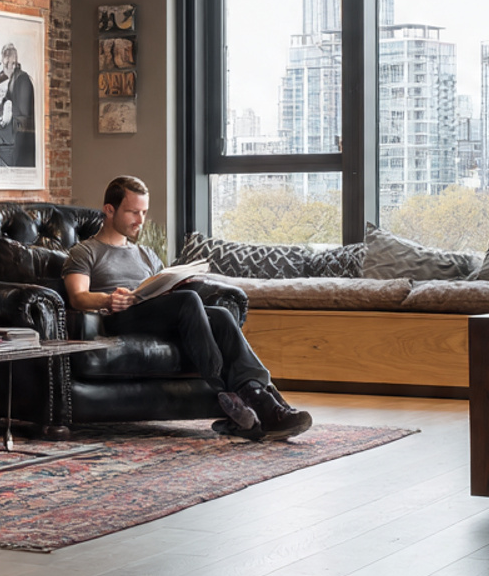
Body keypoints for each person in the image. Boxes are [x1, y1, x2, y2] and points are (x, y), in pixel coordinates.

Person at [62, 175, 312, 440]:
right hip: (119, 316)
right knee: (189, 301)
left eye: (144, 212)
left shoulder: (146, 254)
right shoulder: (85, 251)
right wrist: (108, 299)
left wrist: (179, 282)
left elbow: (161, 289)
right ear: (109, 210)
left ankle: (267, 404)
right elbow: (78, 297)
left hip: (155, 312)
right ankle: (229, 391)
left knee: (222, 316)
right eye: (133, 212)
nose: (140, 220)